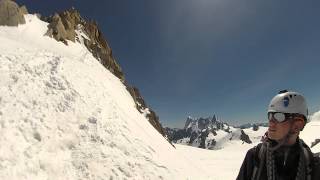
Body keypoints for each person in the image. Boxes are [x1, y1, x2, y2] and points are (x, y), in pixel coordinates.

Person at [236, 90, 320, 180]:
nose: (271, 122)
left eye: (279, 116)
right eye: (270, 116)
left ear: (297, 125)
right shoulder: (254, 157)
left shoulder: (313, 164)